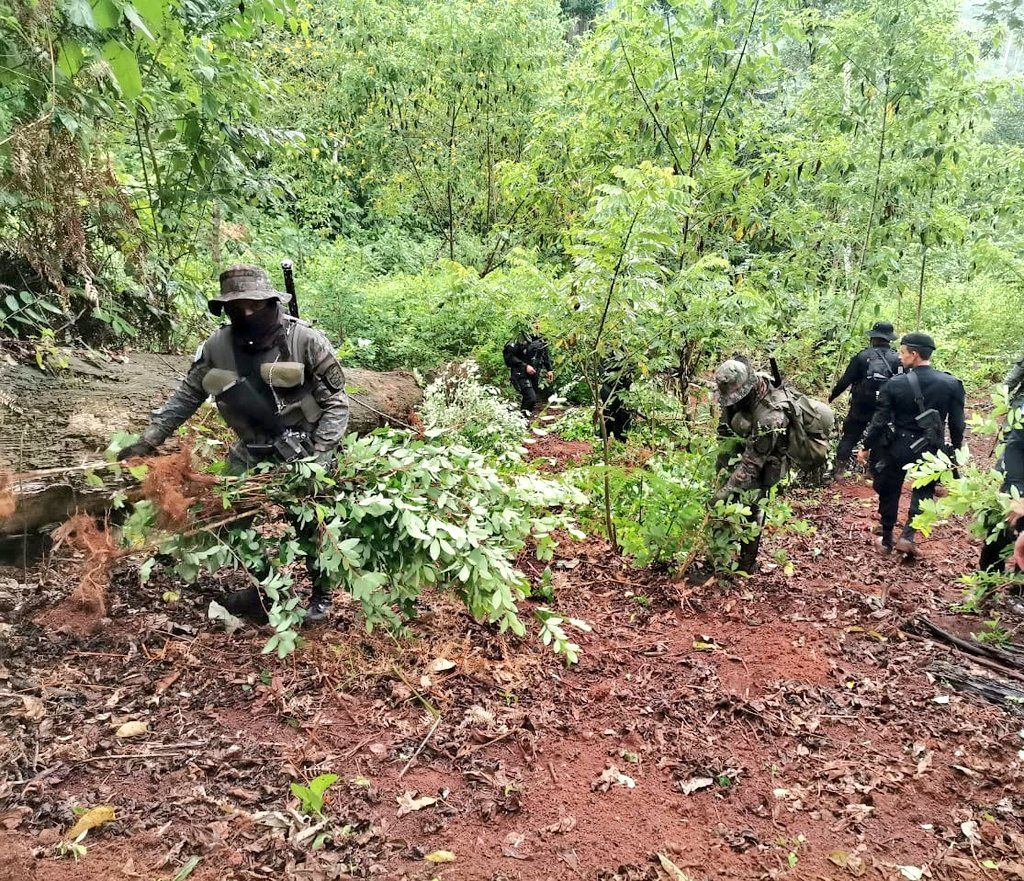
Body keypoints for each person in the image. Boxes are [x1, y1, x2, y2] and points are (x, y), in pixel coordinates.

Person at [116, 264, 349, 622]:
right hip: (250, 449)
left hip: (305, 449)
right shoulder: (217, 347)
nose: (247, 313)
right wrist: (148, 440)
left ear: (272, 302)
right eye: (237, 308)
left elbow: (337, 404)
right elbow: (187, 395)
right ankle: (269, 589)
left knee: (312, 523)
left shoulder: (305, 340)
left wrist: (318, 456)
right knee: (227, 518)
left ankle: (321, 595)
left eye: (255, 306)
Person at [858, 332, 965, 557]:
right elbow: (957, 424)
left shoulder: (894, 384)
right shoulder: (951, 384)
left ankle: (886, 539)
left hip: (897, 445)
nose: (899, 356)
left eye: (903, 352)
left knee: (890, 489)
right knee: (923, 491)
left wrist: (867, 445)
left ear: (914, 354)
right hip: (931, 447)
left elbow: (879, 421)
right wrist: (955, 452)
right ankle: (907, 537)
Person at [712, 358, 791, 571]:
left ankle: (746, 565)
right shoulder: (740, 394)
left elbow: (752, 464)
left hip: (766, 461)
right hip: (743, 451)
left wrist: (726, 490)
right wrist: (721, 468)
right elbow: (724, 430)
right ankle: (718, 560)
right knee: (724, 506)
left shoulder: (771, 416)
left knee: (752, 508)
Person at [829, 321, 901, 474]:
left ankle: (839, 471)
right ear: (889, 339)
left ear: (873, 338)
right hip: (884, 406)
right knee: (879, 436)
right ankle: (872, 472)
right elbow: (902, 383)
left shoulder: (862, 357)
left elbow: (845, 380)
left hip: (861, 404)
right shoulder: (897, 359)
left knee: (850, 435)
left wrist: (832, 397)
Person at [503, 322, 553, 415]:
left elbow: (545, 355)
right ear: (529, 325)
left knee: (531, 400)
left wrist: (549, 369)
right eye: (534, 323)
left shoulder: (541, 339)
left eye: (539, 323)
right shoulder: (519, 338)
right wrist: (525, 366)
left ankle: (522, 420)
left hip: (534, 374)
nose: (537, 325)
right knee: (531, 398)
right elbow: (509, 356)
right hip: (520, 373)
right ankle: (521, 420)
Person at [597, 355, 633, 442]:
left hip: (622, 390)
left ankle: (620, 437)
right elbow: (603, 372)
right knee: (608, 413)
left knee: (622, 413)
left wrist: (624, 383)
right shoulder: (605, 353)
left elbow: (630, 373)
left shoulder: (625, 353)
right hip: (608, 389)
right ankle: (604, 437)